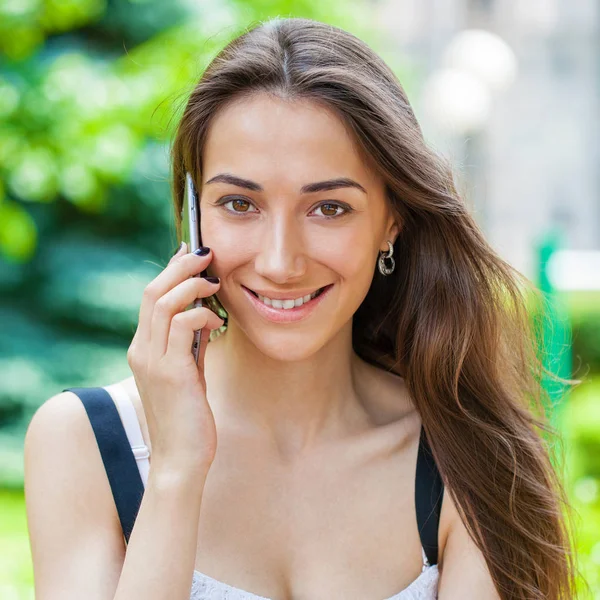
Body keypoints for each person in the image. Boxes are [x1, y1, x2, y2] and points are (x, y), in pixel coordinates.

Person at [23, 16, 579, 600]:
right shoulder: (84, 442)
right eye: (239, 203)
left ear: (392, 221)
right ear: (193, 216)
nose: (280, 261)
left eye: (329, 208)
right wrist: (175, 472)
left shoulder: (464, 454)